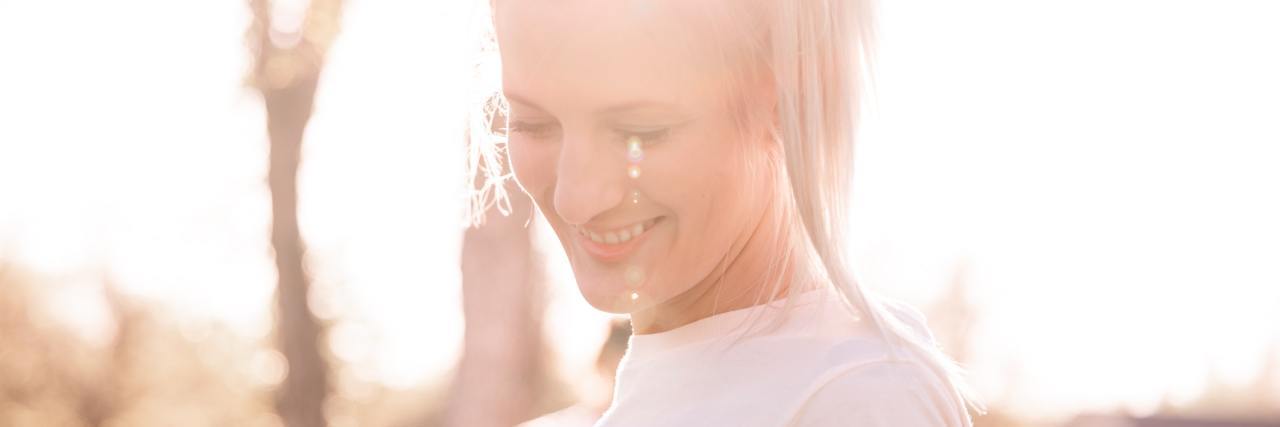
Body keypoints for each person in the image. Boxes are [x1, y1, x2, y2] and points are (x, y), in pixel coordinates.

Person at [467, 0, 984, 425]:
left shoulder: (857, 399)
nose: (574, 199)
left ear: (782, 101)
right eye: (533, 124)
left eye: (641, 132)